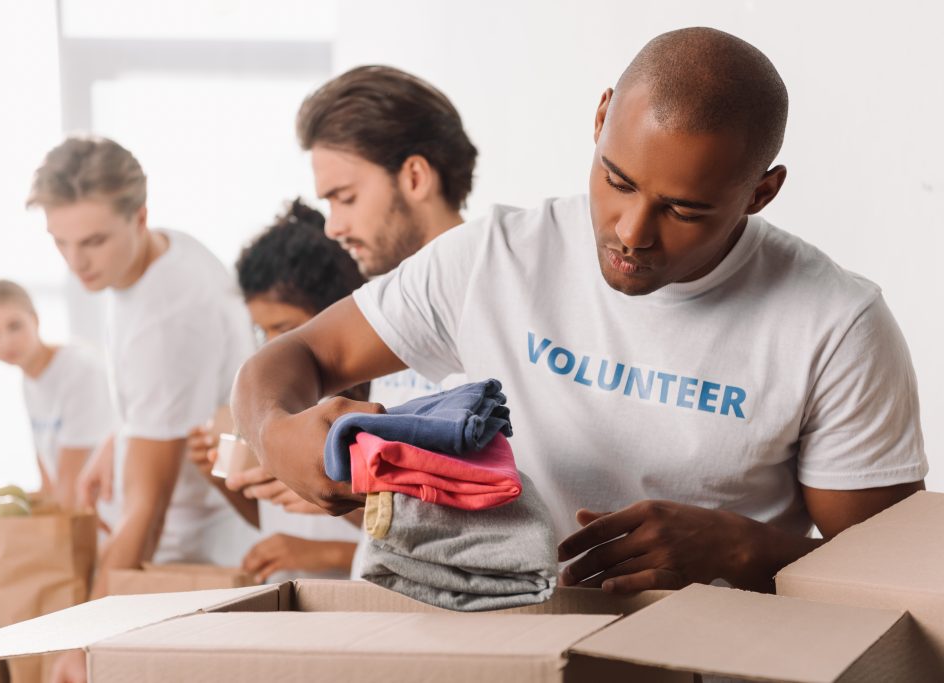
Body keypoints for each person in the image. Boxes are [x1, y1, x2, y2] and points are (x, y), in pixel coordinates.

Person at [232, 27, 927, 595]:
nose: (632, 230)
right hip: (500, 653)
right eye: (616, 179)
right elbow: (295, 360)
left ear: (760, 192)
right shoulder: (493, 260)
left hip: (708, 660)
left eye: (684, 209)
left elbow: (888, 575)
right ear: (600, 120)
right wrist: (274, 432)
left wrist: (750, 552)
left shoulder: (837, 324)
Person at [26, 136, 260, 683]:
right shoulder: (162, 251)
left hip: (188, 557)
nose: (76, 262)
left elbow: (147, 512)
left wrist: (82, 642)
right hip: (182, 537)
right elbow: (176, 397)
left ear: (140, 216)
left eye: (93, 241)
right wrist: (121, 438)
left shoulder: (166, 322)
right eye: (60, 242)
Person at [187, 199, 366, 582]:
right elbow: (274, 512)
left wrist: (328, 552)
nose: (270, 347)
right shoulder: (272, 401)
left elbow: (419, 538)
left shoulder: (376, 403)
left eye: (284, 328)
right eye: (261, 330)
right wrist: (223, 480)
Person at [295, 64, 477, 408]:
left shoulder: (493, 311)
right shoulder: (383, 310)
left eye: (346, 198)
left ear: (415, 178)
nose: (332, 228)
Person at [0, 279, 112, 509]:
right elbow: (49, 477)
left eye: (14, 326)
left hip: (107, 518)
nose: (5, 341)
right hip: (79, 514)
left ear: (35, 319)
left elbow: (70, 484)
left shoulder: (79, 370)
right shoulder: (30, 380)